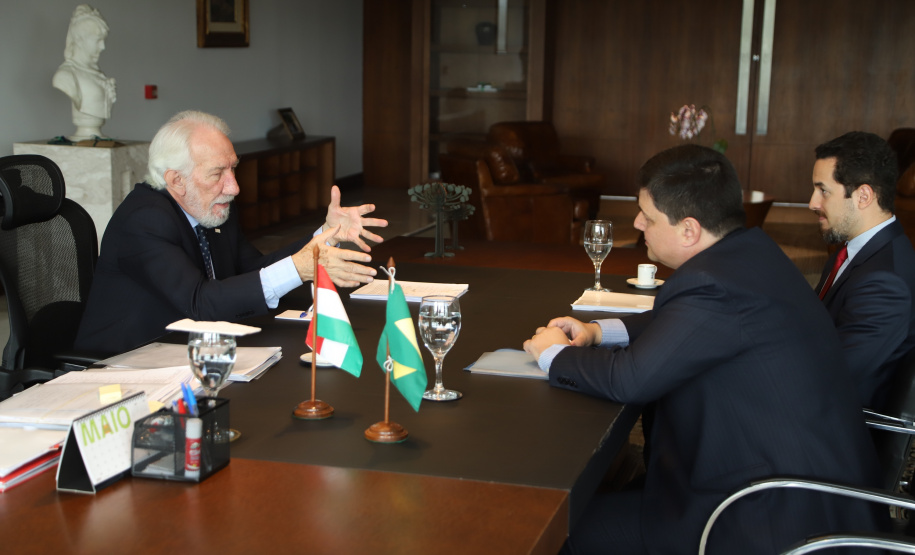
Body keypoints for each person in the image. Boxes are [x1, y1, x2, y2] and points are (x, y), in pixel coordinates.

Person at [523, 145, 885, 553]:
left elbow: (631, 380)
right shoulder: (749, 252)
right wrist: (597, 331)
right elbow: (690, 323)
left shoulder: (713, 284)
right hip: (799, 486)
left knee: (561, 533)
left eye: (649, 215)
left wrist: (555, 353)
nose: (638, 223)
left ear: (689, 230)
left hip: (764, 515)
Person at [75, 110, 386, 355]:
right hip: (125, 364)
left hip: (189, 348)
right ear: (176, 180)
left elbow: (251, 270)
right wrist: (299, 267)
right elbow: (200, 303)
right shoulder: (144, 221)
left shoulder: (211, 206)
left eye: (233, 168)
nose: (234, 187)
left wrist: (324, 236)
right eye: (217, 173)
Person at [810, 131, 915, 410]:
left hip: (837, 426)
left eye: (823, 191)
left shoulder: (885, 282)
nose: (812, 203)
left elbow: (831, 377)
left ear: (863, 195)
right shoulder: (854, 252)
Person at [52, 4, 117, 141]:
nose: (103, 47)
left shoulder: (98, 75)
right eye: (98, 41)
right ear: (80, 40)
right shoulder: (66, 75)